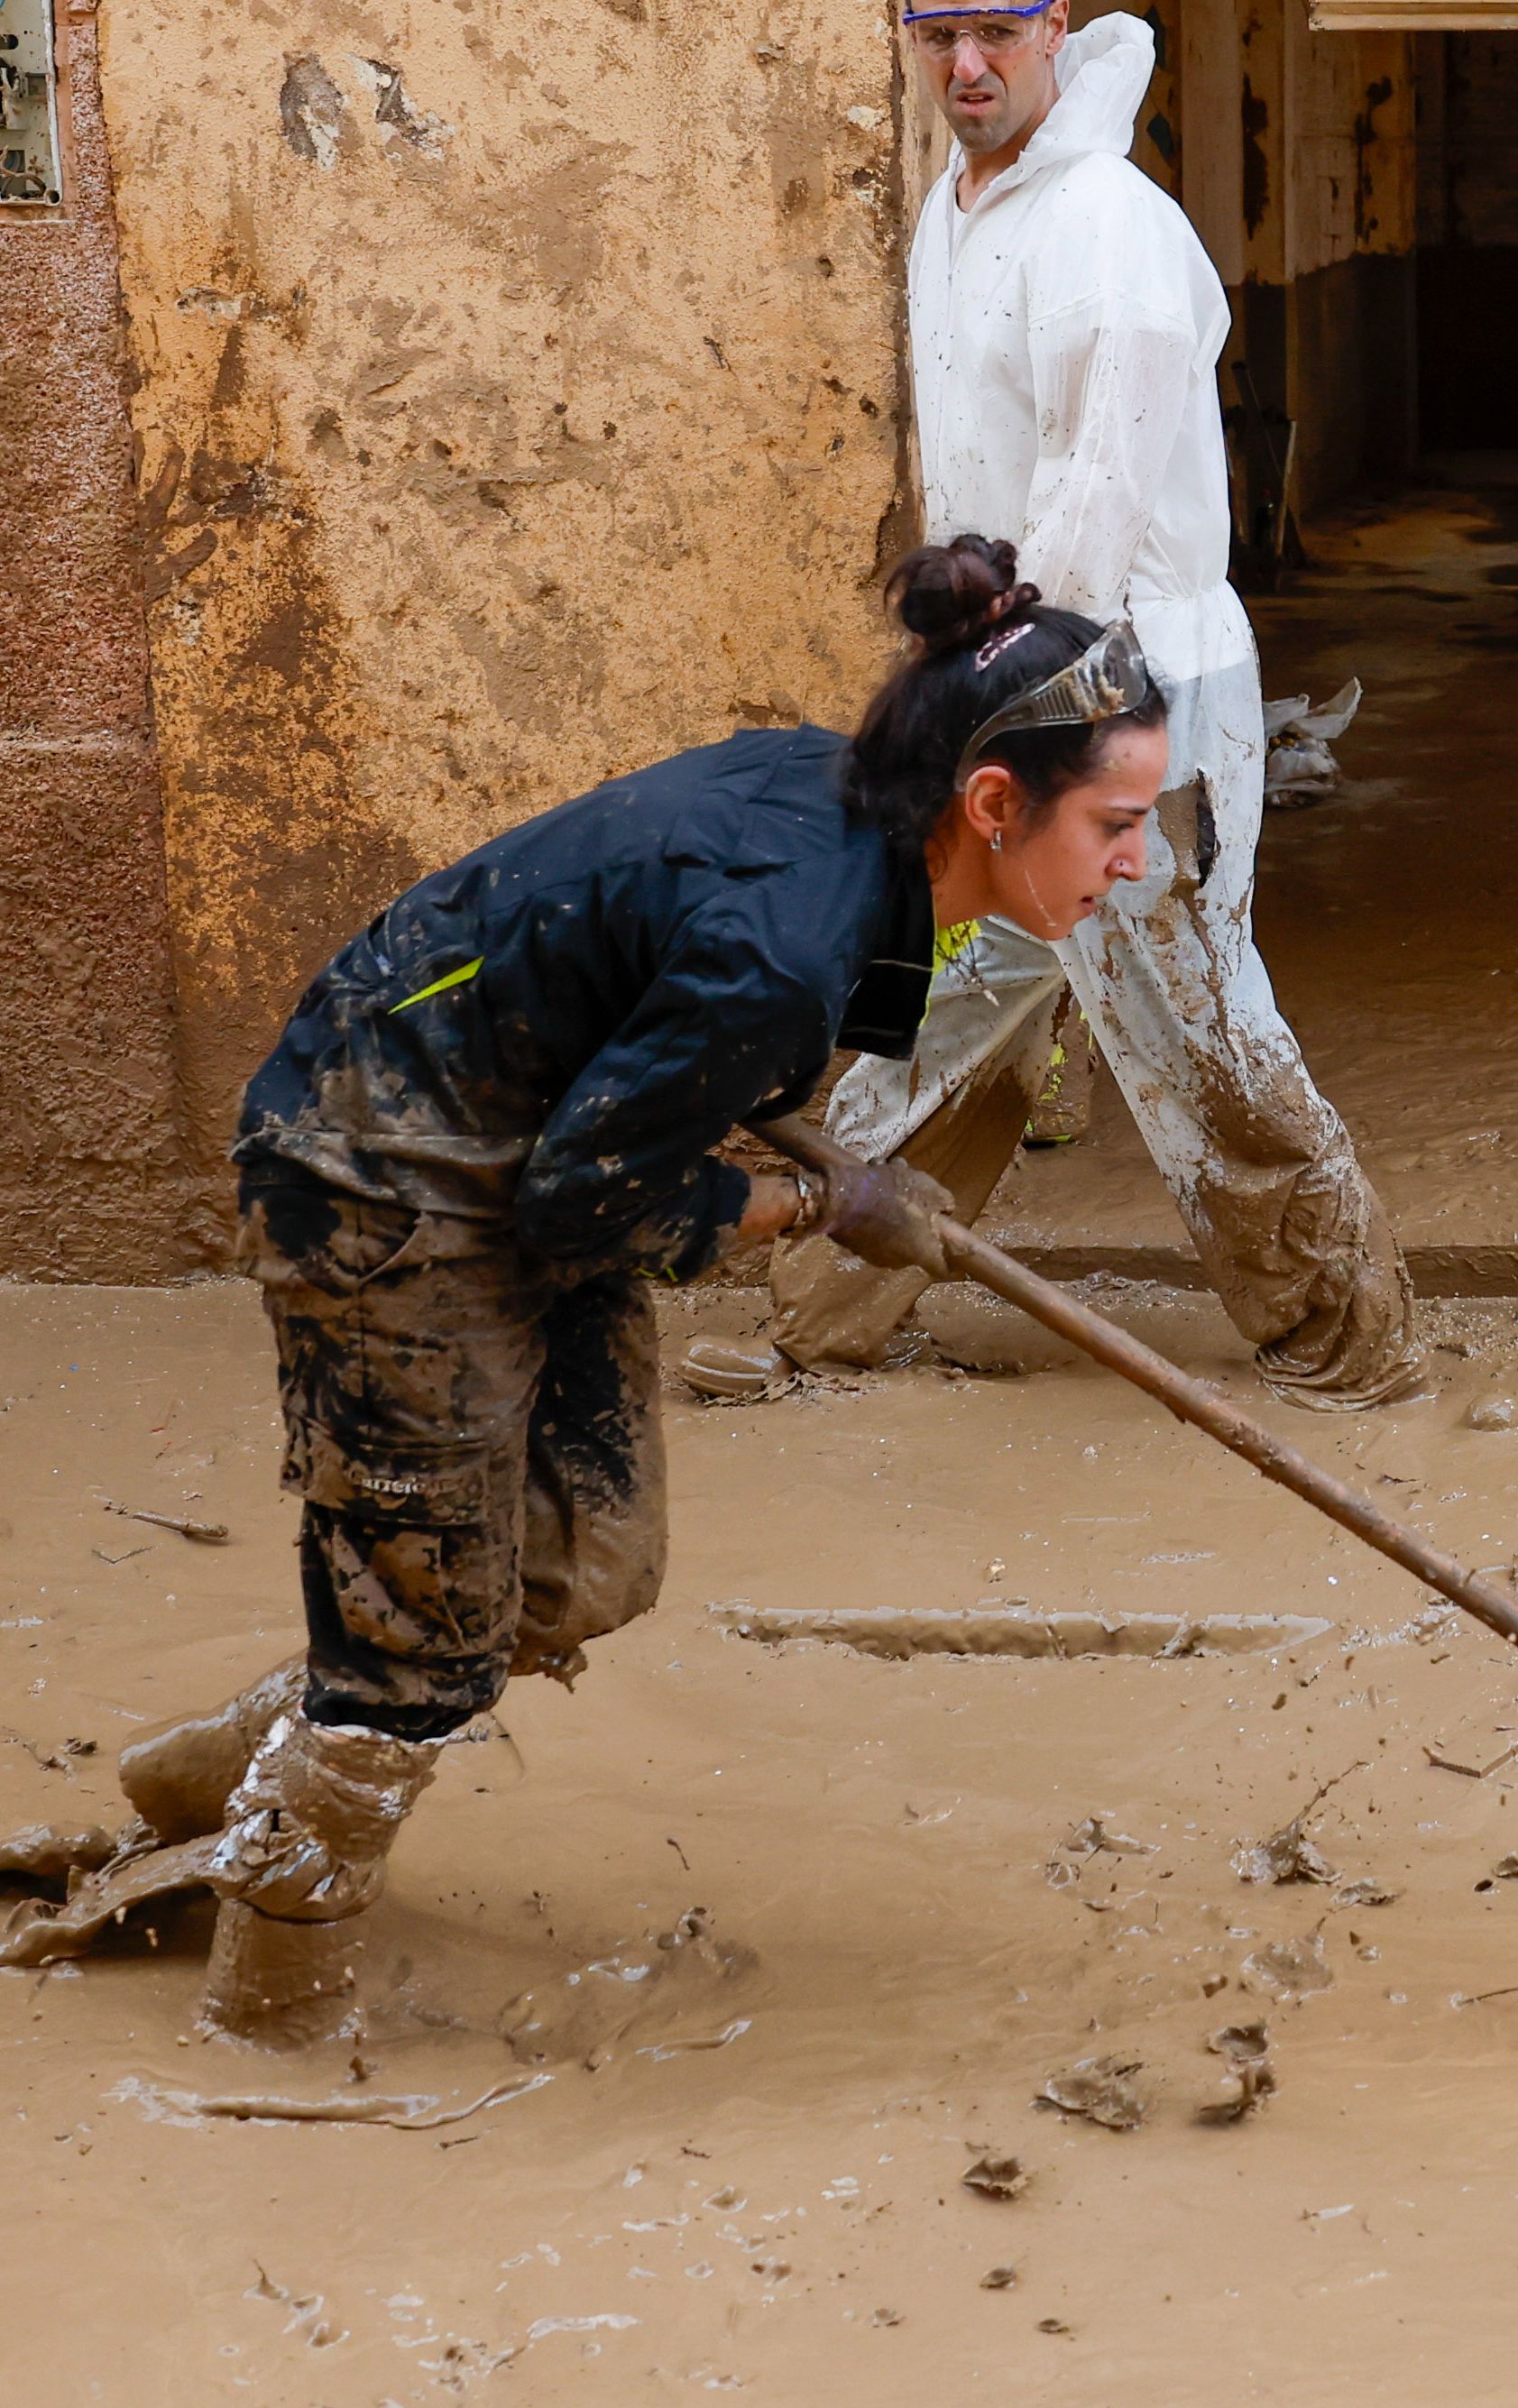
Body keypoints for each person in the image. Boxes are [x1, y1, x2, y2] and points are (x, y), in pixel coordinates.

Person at [73, 544, 1166, 2031]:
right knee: (424, 1640)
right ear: (992, 804)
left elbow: (612, 1119)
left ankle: (228, 1765)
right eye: (1114, 823)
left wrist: (764, 1154)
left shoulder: (838, 798)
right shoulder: (783, 942)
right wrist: (825, 1202)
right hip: (378, 1164)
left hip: (530, 1135)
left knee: (590, 1568)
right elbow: (596, 1204)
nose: (1134, 862)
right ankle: (265, 2023)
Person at [767, 0, 1418, 1406]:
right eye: (940, 35)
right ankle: (821, 1303)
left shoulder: (1103, 229)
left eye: (999, 29)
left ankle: (1348, 1341)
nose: (969, 62)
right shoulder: (960, 207)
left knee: (1193, 1021)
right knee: (940, 987)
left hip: (1131, 695)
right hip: (1012, 684)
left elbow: (1095, 501)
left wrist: (983, 683)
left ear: (1056, 28)